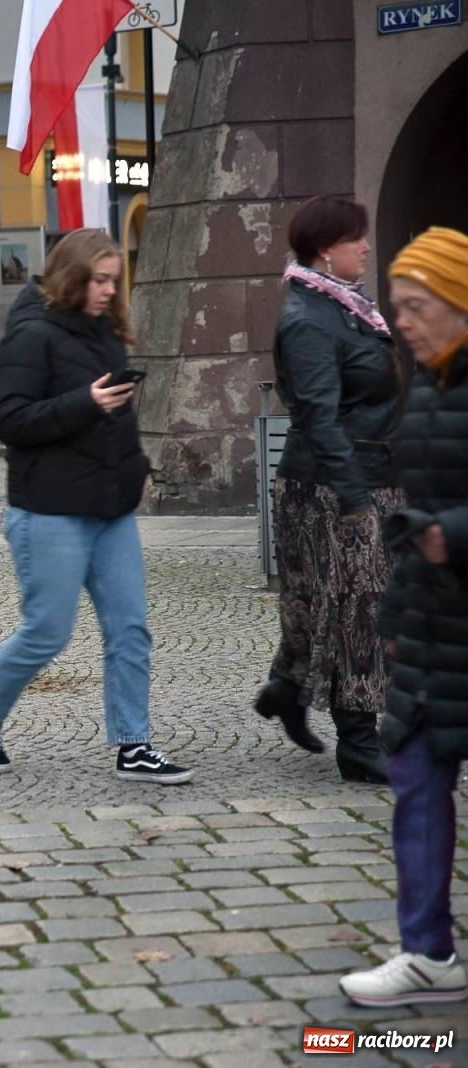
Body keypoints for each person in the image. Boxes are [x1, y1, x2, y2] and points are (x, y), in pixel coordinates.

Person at [0, 228, 194, 785]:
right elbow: (10, 421)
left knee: (131, 628)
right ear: (72, 276)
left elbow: (113, 422)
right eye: (100, 280)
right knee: (48, 631)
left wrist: (132, 466)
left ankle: (134, 744)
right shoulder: (31, 334)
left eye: (115, 281)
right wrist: (84, 403)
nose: (110, 291)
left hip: (109, 508)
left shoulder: (106, 332)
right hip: (49, 510)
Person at [340, 227, 468, 1009]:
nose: (405, 322)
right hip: (432, 623)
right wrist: (395, 608)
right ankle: (427, 953)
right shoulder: (423, 383)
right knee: (416, 780)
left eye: (418, 306)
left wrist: (452, 535)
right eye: (398, 307)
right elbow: (419, 513)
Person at [254, 197, 402, 782]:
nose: (366, 246)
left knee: (325, 603)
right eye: (356, 238)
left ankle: (289, 690)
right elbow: (318, 414)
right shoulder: (308, 319)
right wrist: (355, 497)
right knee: (357, 612)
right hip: (331, 488)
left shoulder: (345, 308)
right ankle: (360, 745)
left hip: (367, 476)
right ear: (325, 249)